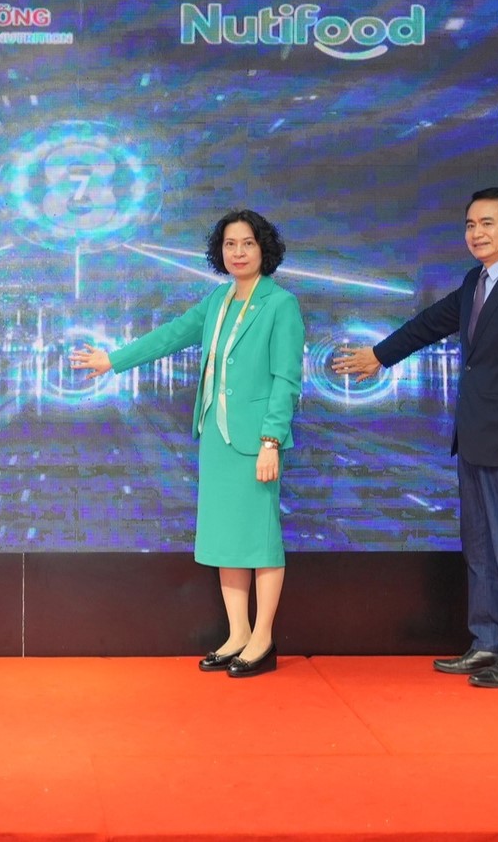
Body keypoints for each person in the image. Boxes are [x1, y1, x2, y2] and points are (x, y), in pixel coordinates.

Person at [331, 187, 498, 688]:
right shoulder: (474, 282)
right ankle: (487, 642)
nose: (476, 233)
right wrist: (380, 355)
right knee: (479, 549)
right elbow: (430, 324)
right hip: (473, 438)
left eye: (487, 223)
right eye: (470, 225)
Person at [71, 209, 305, 678]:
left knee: (260, 538)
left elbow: (286, 379)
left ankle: (263, 639)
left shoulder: (281, 304)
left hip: (256, 440)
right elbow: (172, 336)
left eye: (248, 243)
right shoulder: (218, 300)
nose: (238, 252)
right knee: (225, 537)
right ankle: (237, 634)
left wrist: (271, 440)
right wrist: (113, 360)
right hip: (216, 437)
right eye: (230, 244)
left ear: (264, 249)